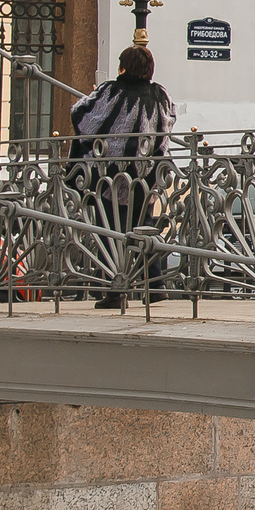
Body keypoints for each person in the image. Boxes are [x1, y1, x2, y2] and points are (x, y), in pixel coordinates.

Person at [71, 45, 176, 311]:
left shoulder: (110, 91)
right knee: (145, 226)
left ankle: (116, 289)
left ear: (123, 66)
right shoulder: (160, 94)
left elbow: (83, 118)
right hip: (146, 175)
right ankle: (155, 285)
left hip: (110, 175)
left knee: (110, 229)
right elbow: (168, 124)